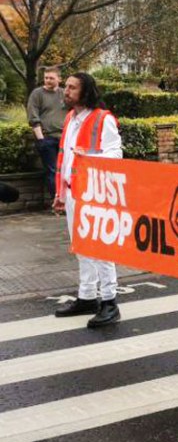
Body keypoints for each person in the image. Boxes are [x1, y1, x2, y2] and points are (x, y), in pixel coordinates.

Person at [51, 72, 123, 328]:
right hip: (73, 191)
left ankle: (110, 302)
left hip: (95, 193)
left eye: (72, 87)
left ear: (85, 91)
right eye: (66, 86)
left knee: (100, 247)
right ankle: (87, 296)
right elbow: (64, 158)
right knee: (81, 247)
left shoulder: (103, 119)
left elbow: (116, 154)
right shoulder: (71, 118)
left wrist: (91, 158)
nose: (65, 91)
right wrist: (61, 193)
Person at [27, 66, 67, 200]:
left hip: (65, 139)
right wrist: (41, 139)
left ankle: (68, 201)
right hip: (47, 139)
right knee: (52, 171)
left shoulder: (64, 94)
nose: (48, 80)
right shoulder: (37, 94)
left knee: (66, 171)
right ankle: (57, 202)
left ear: (59, 79)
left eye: (51, 78)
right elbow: (33, 117)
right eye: (46, 78)